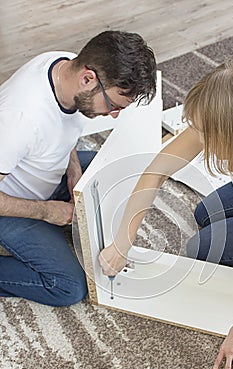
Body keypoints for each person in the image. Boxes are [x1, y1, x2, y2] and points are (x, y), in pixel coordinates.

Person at [99, 58, 233, 369]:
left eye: (207, 134)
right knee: (204, 212)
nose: (200, 138)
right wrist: (124, 241)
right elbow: (156, 171)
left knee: (200, 248)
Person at [0, 30, 157, 306]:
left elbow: (63, 129)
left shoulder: (67, 67)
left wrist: (74, 171)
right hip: (11, 204)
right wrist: (47, 212)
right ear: (88, 79)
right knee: (68, 287)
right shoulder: (19, 118)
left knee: (118, 168)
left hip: (44, 173)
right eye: (113, 106)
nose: (114, 114)